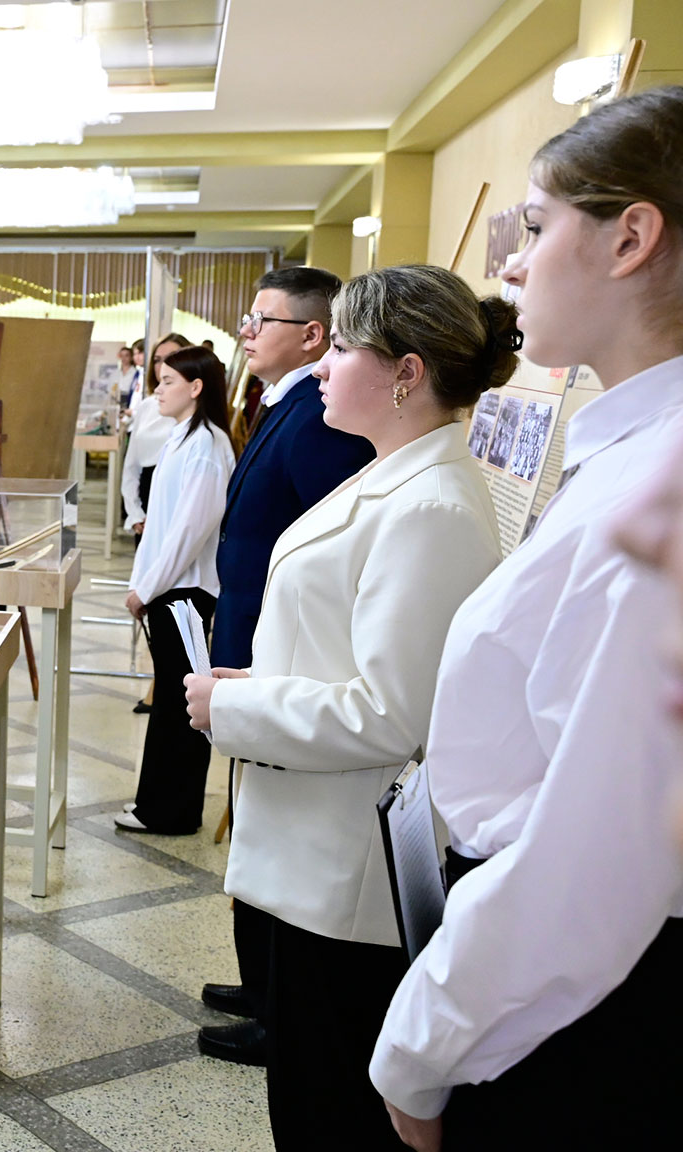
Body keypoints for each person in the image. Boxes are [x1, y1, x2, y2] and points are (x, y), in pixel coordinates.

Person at [369, 86, 683, 1152]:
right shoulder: (630, 451)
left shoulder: (660, 489)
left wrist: (422, 1049)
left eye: (537, 227)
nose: (509, 266)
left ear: (630, 238)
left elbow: (592, 855)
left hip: (573, 1005)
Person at [184, 264, 511, 1150]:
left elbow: (388, 714)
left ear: (406, 372)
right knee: (305, 1096)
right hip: (314, 851)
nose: (322, 366)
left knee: (325, 1111)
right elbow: (338, 648)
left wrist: (238, 711)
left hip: (347, 876)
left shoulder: (432, 506)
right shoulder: (394, 475)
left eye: (345, 348)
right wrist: (252, 687)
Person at [199, 265, 375, 1068]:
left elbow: (327, 547)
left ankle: (280, 1003)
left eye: (261, 319)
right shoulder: (288, 403)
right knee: (255, 816)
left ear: (311, 335)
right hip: (252, 641)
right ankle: (260, 983)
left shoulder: (318, 418)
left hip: (283, 652)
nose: (246, 331)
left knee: (275, 823)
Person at [114, 346, 235, 835]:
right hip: (168, 588)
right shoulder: (181, 437)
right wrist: (142, 583)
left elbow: (188, 533)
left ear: (196, 387)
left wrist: (146, 588)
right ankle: (157, 804)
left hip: (184, 592)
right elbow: (161, 526)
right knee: (169, 699)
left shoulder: (207, 445)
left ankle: (172, 812)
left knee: (179, 706)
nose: (158, 390)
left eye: (167, 381)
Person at [122, 333, 193, 534]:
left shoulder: (195, 410)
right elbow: (131, 466)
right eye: (157, 360)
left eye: (171, 358)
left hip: (180, 503)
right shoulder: (147, 407)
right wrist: (134, 512)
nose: (163, 366)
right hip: (147, 497)